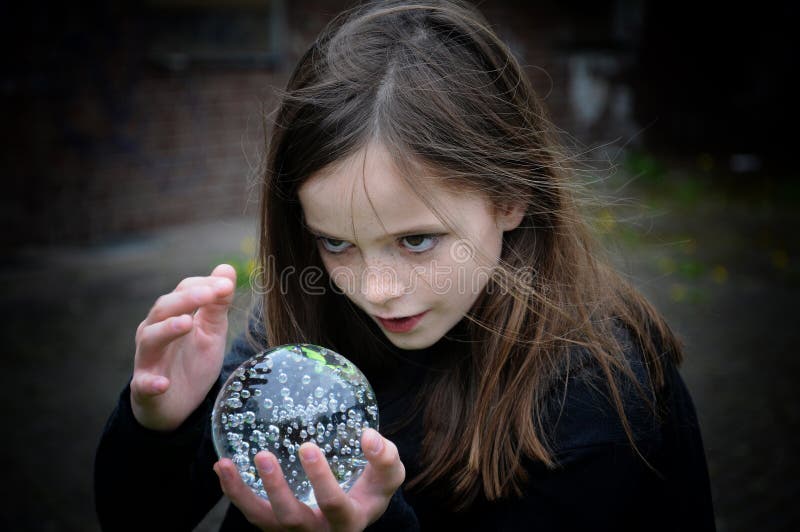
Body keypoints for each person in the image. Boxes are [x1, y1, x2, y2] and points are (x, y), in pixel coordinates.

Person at [94, 0, 716, 530]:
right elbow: (138, 516)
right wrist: (160, 427)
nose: (376, 290)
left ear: (511, 196)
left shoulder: (595, 392)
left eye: (417, 240)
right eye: (336, 243)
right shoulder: (298, 341)